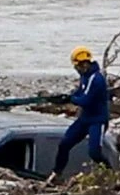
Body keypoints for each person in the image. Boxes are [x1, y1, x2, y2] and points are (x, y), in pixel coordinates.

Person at [47, 45, 110, 183]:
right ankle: (57, 173)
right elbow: (79, 93)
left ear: (83, 64)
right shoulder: (85, 77)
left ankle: (110, 173)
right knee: (65, 144)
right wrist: (65, 97)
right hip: (85, 119)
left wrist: (72, 99)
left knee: (94, 152)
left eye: (76, 66)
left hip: (97, 120)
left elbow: (86, 100)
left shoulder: (96, 79)